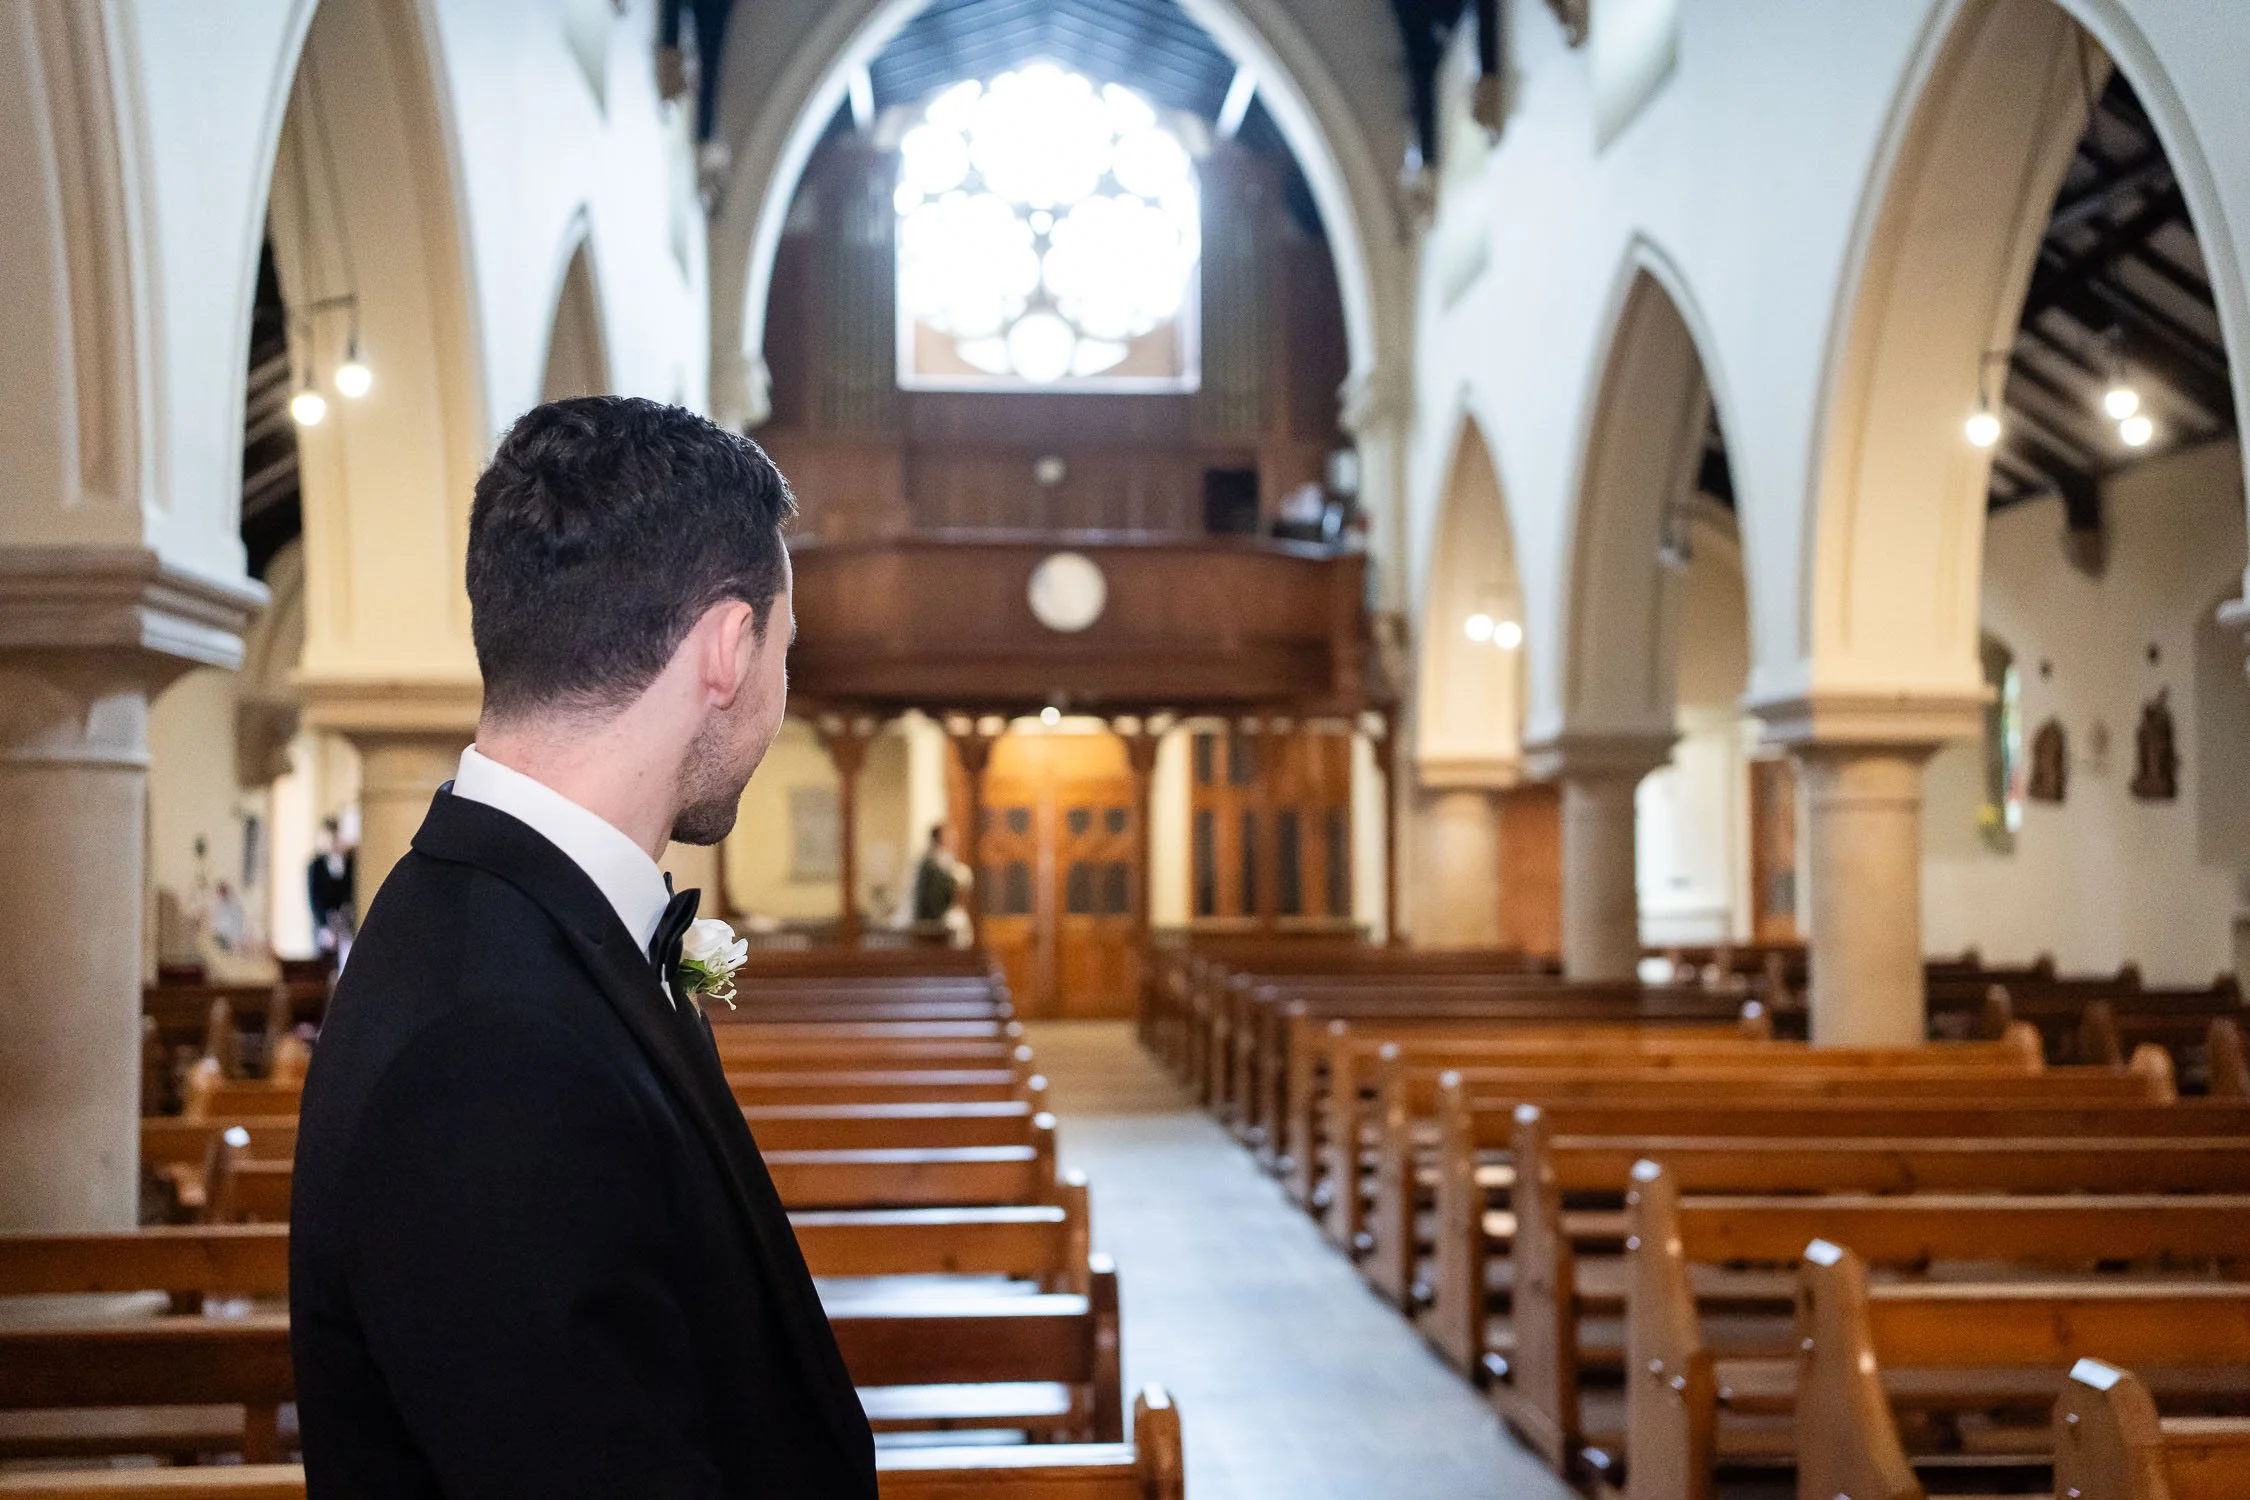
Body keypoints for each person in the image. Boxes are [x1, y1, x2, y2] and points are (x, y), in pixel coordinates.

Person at [290, 397, 876, 1498]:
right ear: (728, 648)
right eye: (784, 651)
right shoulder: (491, 1052)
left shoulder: (500, 917)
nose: (779, 694)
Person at [306, 819, 356, 955]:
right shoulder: (316, 865)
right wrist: (324, 925)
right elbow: (314, 898)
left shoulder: (351, 862)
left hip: (347, 922)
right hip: (325, 925)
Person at [908, 825, 958, 924]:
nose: (954, 842)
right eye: (949, 838)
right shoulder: (929, 864)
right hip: (930, 919)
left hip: (941, 917)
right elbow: (930, 895)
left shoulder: (948, 861)